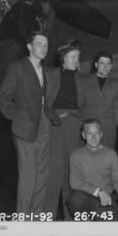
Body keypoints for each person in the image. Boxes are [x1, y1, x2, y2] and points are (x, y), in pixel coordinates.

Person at [0, 31, 58, 214]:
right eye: (40, 44)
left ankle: (36, 217)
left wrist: (51, 114)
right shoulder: (17, 67)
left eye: (46, 45)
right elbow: (3, 98)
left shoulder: (42, 71)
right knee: (28, 176)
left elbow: (41, 101)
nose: (44, 48)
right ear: (29, 46)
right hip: (25, 128)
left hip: (43, 125)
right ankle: (22, 218)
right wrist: (19, 117)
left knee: (43, 174)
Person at [66, 119, 118, 220]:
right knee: (75, 198)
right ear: (83, 135)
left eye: (96, 133)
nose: (93, 137)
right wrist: (99, 191)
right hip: (85, 199)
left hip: (105, 201)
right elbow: (74, 182)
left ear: (101, 134)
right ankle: (85, 227)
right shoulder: (76, 154)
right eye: (89, 133)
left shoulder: (111, 154)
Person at [43, 39, 84, 220]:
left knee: (71, 173)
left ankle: (70, 218)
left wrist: (81, 122)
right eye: (74, 57)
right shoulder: (50, 75)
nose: (77, 60)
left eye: (78, 57)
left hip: (74, 127)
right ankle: (47, 216)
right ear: (64, 58)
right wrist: (55, 117)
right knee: (54, 172)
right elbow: (41, 102)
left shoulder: (80, 79)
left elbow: (84, 106)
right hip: (55, 125)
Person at [79, 51, 118, 149]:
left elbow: (116, 111)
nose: (105, 67)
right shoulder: (83, 83)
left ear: (111, 66)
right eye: (102, 63)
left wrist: (112, 126)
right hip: (89, 128)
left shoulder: (116, 86)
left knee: (107, 158)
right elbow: (79, 106)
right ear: (96, 64)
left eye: (108, 64)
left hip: (108, 131)